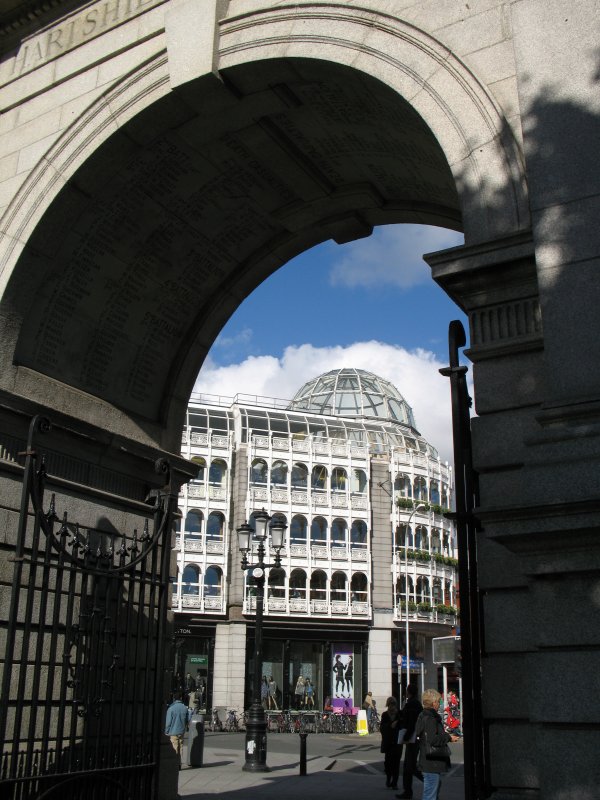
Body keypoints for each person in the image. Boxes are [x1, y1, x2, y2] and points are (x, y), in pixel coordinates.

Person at [413, 688, 459, 800]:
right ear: (433, 703)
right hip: (432, 762)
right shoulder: (430, 718)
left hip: (429, 761)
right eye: (439, 701)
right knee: (430, 795)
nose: (439, 704)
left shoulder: (423, 715)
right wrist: (448, 737)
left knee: (433, 789)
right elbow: (432, 739)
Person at [396, 684, 423, 799]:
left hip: (412, 738)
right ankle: (408, 791)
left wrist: (405, 737)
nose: (406, 693)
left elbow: (411, 722)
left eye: (407, 691)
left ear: (409, 692)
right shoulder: (416, 703)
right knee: (409, 766)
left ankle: (427, 781)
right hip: (414, 737)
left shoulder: (412, 704)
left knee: (409, 767)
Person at [380, 696, 402, 789]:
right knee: (388, 763)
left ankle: (395, 783)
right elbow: (382, 728)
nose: (392, 707)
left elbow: (403, 726)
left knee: (396, 764)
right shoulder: (385, 715)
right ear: (388, 705)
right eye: (390, 705)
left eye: (393, 704)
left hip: (397, 743)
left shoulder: (399, 714)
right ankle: (388, 779)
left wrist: (398, 723)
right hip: (388, 742)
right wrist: (390, 725)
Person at [165, 691, 190, 764]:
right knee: (181, 747)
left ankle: (175, 763)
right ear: (181, 698)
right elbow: (187, 720)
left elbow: (168, 722)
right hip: (181, 731)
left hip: (173, 731)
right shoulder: (184, 708)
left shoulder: (171, 708)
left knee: (175, 747)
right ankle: (179, 763)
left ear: (173, 698)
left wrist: (166, 731)